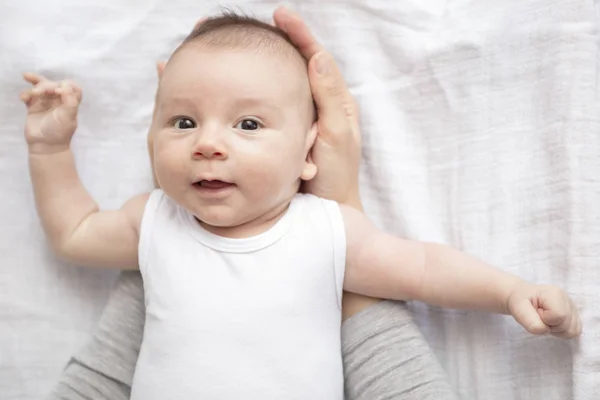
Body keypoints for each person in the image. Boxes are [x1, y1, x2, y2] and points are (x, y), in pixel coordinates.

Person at [22, 9, 580, 400]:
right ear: (152, 137)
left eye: (248, 123)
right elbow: (75, 232)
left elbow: (426, 268)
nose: (207, 142)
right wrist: (49, 148)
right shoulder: (154, 221)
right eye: (183, 121)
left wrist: (510, 292)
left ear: (307, 155)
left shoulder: (327, 231)